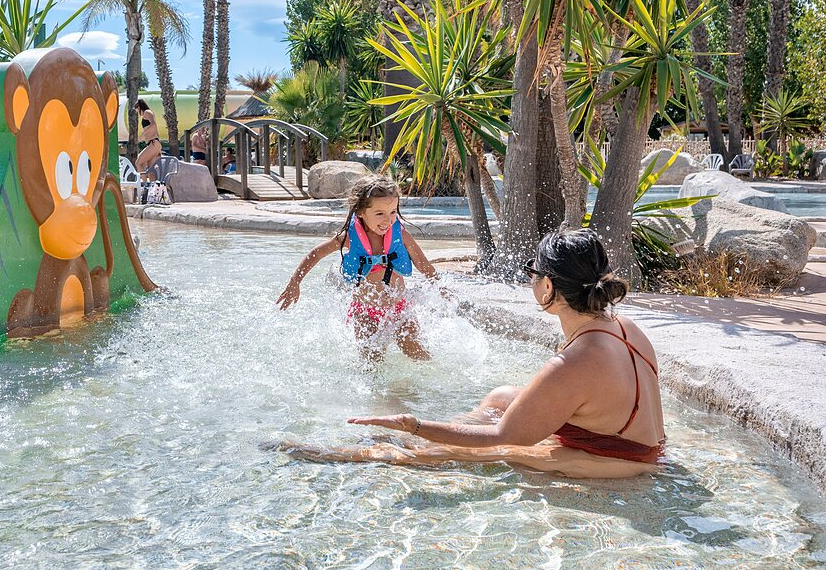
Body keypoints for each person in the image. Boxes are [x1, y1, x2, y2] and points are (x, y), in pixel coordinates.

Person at [282, 229, 667, 479]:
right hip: (630, 437)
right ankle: (429, 437)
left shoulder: (571, 362)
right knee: (501, 397)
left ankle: (356, 453)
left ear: (548, 287)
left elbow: (502, 436)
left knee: (470, 452)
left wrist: (415, 425)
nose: (531, 279)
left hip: (616, 460)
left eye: (533, 271)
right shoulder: (623, 325)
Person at [276, 174, 440, 360]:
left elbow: (423, 265)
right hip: (365, 312)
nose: (388, 220)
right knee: (371, 359)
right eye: (380, 214)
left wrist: (439, 287)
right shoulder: (349, 237)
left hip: (399, 309)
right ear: (361, 211)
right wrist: (295, 282)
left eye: (393, 212)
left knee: (417, 352)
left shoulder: (400, 234)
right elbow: (316, 253)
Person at [134, 99, 161, 177]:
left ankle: (143, 182)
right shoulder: (148, 113)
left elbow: (153, 124)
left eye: (137, 110)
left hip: (153, 143)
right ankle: (152, 184)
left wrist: (143, 133)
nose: (137, 112)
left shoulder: (147, 112)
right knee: (150, 169)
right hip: (154, 143)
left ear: (139, 107)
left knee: (138, 163)